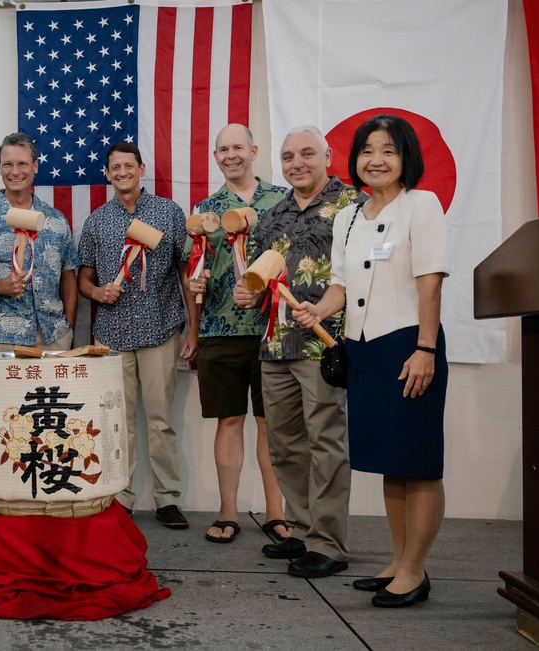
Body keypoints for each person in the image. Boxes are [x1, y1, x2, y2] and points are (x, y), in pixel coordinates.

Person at [292, 115, 448, 607]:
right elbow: (340, 284)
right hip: (364, 350)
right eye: (367, 150)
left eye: (388, 151)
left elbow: (430, 281)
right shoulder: (349, 216)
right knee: (388, 463)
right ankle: (400, 561)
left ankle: (416, 570)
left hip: (407, 346)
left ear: (406, 159)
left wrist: (425, 349)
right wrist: (319, 308)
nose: (376, 160)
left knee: (418, 465)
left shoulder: (422, 205)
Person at [233, 125, 363, 577]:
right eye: (288, 157)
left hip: (324, 344)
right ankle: (303, 531)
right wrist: (248, 294)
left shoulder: (353, 207)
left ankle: (330, 543)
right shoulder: (272, 214)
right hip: (275, 343)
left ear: (327, 156)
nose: (297, 163)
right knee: (285, 445)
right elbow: (262, 277)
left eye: (307, 154)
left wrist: (329, 315)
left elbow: (360, 278)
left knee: (325, 442)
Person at [77, 142, 198, 529]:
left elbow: (186, 272)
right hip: (112, 333)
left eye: (129, 165)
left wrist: (193, 326)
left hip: (160, 328)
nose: (123, 172)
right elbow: (83, 277)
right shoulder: (97, 221)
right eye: (116, 167)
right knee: (118, 420)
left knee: (160, 419)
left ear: (141, 168)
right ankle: (120, 495)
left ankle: (167, 498)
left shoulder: (168, 213)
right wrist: (97, 293)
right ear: (108, 173)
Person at [186, 124, 289, 544]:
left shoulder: (283, 201)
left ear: (253, 151)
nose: (231, 155)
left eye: (238, 147)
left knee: (272, 424)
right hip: (219, 328)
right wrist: (196, 286)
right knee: (228, 420)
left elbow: (297, 263)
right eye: (223, 149)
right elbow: (197, 268)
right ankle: (228, 511)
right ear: (216, 157)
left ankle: (276, 513)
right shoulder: (206, 209)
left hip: (273, 330)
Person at [0, 133, 78, 355]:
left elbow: (68, 276)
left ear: (35, 167)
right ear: (0, 168)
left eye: (22, 164)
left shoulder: (56, 220)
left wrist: (68, 328)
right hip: (0, 337)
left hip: (53, 337)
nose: (15, 171)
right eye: (8, 164)